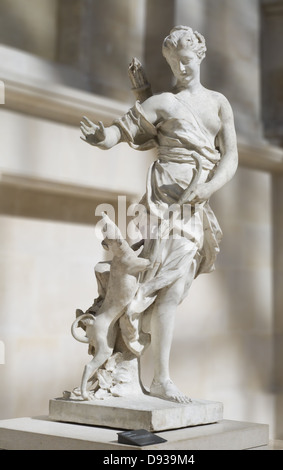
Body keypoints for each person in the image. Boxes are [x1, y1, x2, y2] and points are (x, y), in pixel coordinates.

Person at [80, 26, 238, 403]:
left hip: (194, 206)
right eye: (174, 62)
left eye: (187, 60)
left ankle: (141, 363)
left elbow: (230, 157)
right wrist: (101, 137)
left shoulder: (218, 102)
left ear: (200, 55)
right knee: (161, 288)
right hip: (162, 205)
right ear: (167, 62)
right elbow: (123, 131)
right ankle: (158, 376)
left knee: (175, 287)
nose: (182, 67)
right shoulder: (162, 102)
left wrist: (209, 188)